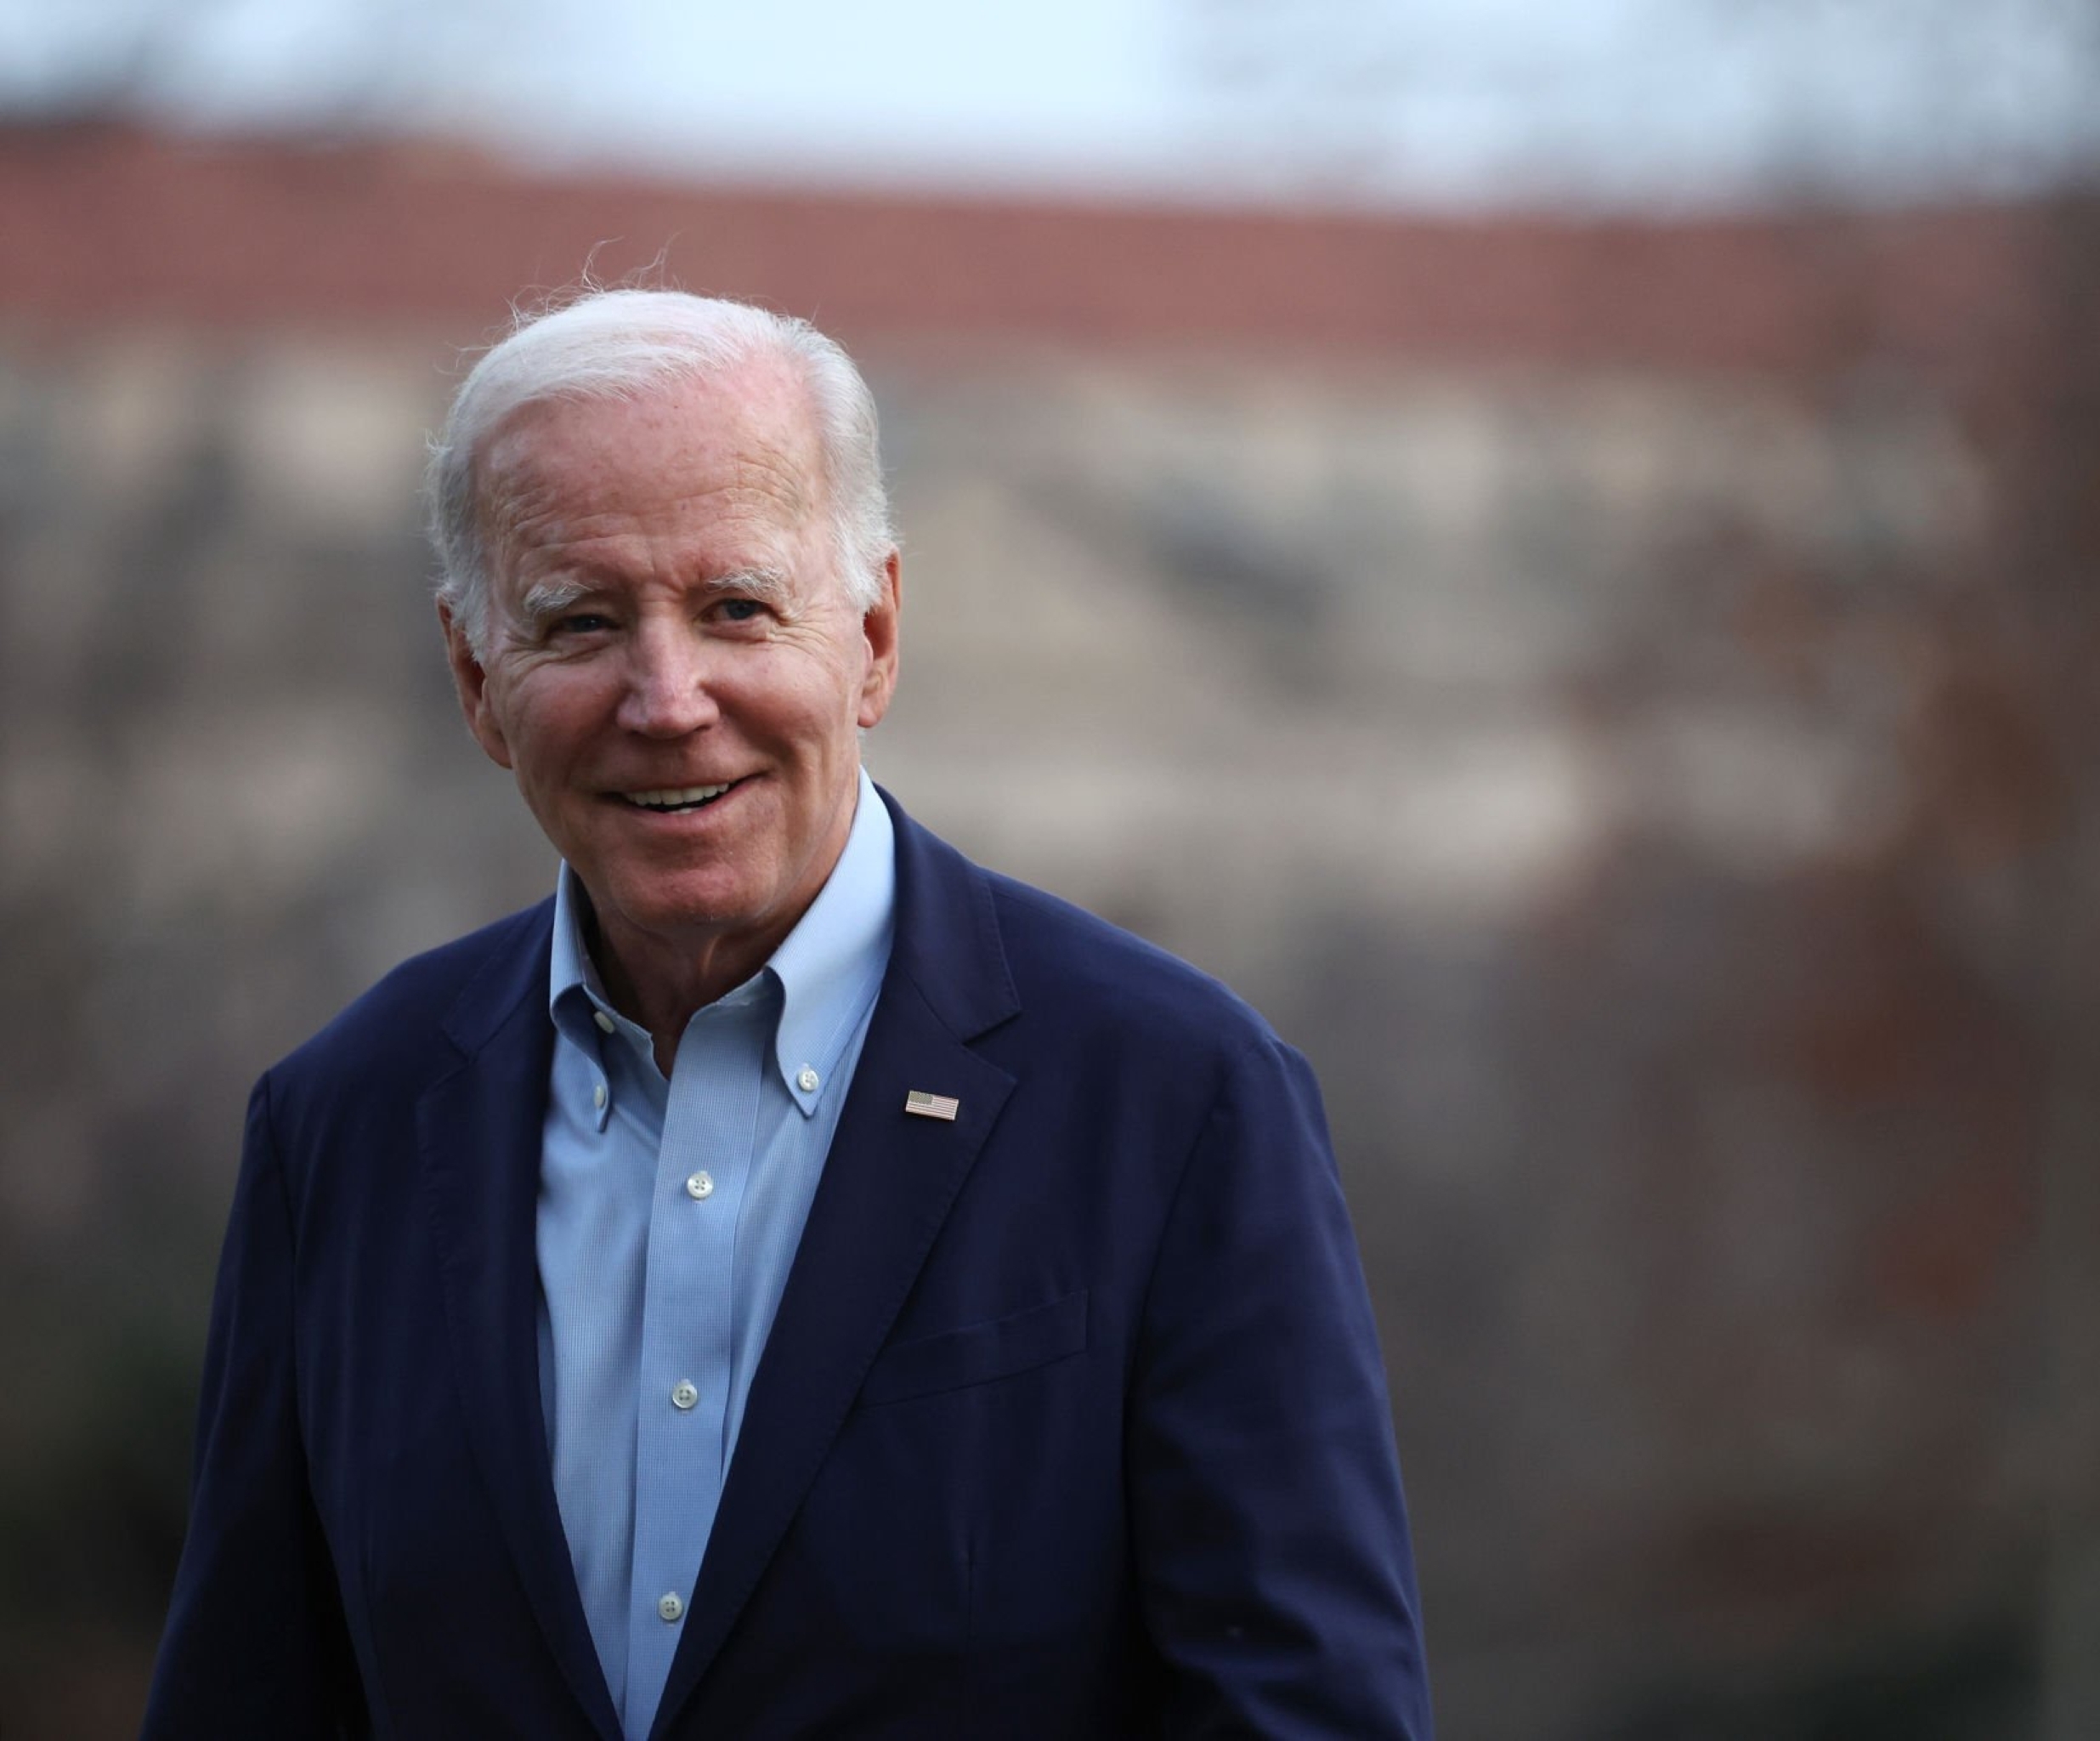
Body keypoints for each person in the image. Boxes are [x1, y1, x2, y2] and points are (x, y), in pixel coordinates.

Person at [142, 288, 1430, 1738]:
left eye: (736, 609)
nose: (669, 697)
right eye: (579, 622)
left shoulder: (1173, 1100)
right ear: (474, 681)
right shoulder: (345, 1124)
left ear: (873, 637)